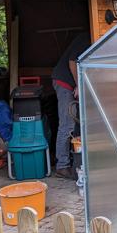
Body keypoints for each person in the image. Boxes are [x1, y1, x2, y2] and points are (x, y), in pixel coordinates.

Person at [51, 31, 90, 179]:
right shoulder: (85, 37)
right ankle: (62, 166)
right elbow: (72, 61)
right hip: (64, 83)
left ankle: (75, 162)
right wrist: (78, 84)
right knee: (67, 125)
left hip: (70, 83)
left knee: (76, 124)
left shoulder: (94, 38)